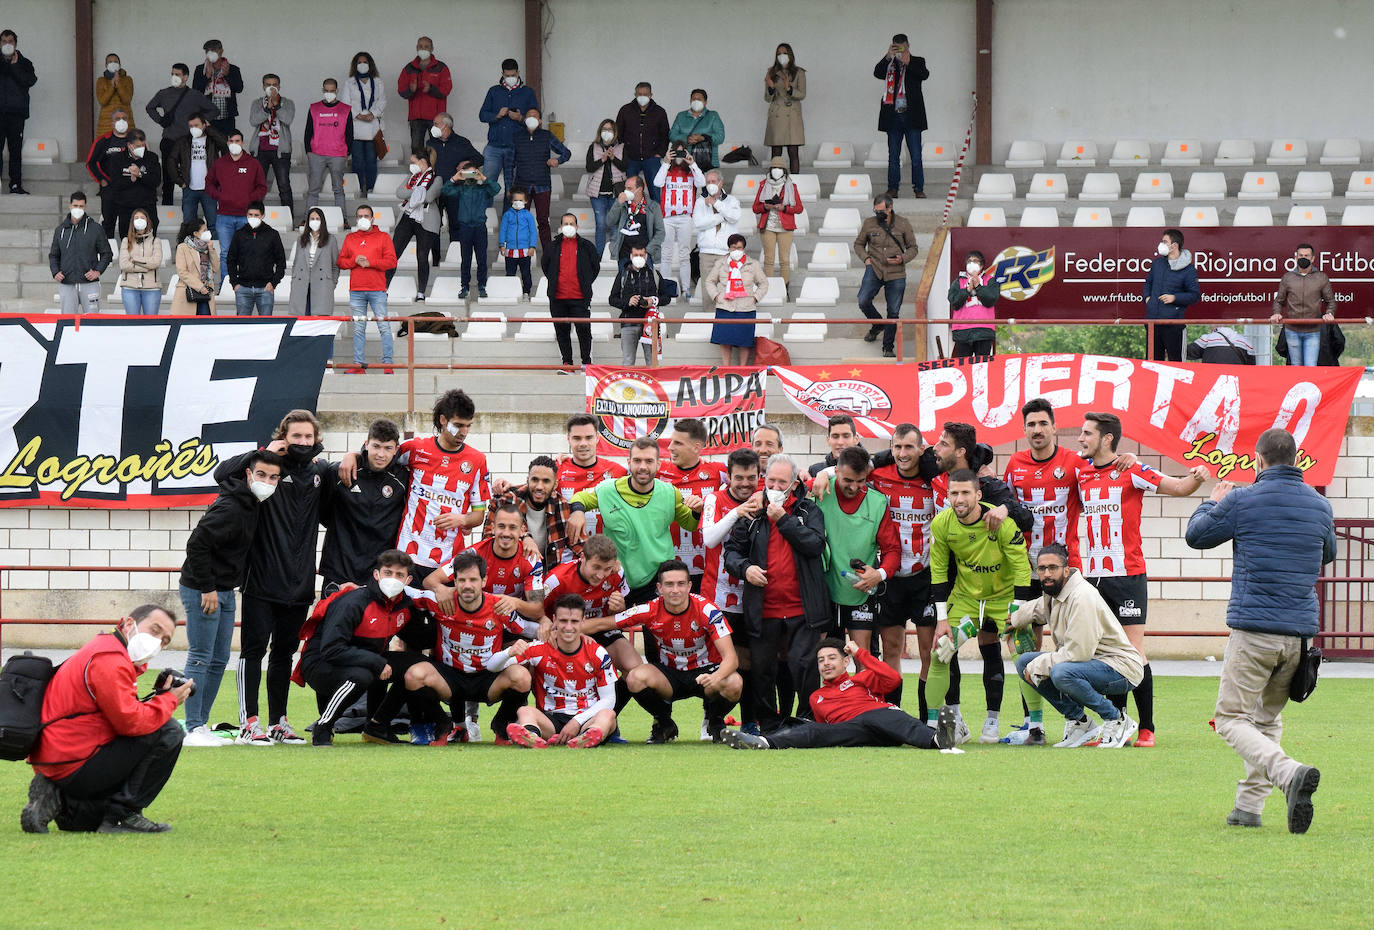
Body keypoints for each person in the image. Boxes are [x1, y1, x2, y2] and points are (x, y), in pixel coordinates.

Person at [1186, 428, 1334, 833]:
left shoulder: (1242, 498)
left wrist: (1210, 502)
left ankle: (1288, 774)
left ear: (1258, 460)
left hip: (1254, 630)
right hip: (1300, 635)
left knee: (1231, 718)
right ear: (1297, 459)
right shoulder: (1321, 506)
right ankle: (1248, 808)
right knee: (1265, 720)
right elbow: (1329, 554)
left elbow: (1196, 537)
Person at [1077, 411, 1208, 747]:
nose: (1081, 439)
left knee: (1134, 652)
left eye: (1087, 433)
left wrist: (1199, 476)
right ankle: (1117, 724)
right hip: (1093, 578)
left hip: (1128, 575)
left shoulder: (1133, 469)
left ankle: (1147, 727)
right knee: (1104, 653)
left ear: (1106, 438)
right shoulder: (1079, 471)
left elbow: (1179, 488)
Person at [212, 411, 335, 745]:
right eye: (296, 437)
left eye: (308, 437)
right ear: (284, 437)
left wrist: (353, 454)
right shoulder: (268, 470)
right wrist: (260, 451)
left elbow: (353, 469)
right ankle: (248, 721)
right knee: (253, 652)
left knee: (284, 654)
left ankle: (278, 721)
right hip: (261, 580)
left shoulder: (319, 473)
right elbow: (221, 473)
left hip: (299, 585)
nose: (303, 443)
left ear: (316, 439)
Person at [21, 605, 190, 834]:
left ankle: (59, 799)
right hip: (76, 757)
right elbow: (130, 723)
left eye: (164, 640)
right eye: (155, 630)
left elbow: (121, 714)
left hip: (59, 757)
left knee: (85, 822)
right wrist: (169, 701)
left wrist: (158, 698)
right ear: (129, 624)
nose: (157, 642)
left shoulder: (105, 648)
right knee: (169, 730)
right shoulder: (111, 658)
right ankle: (123, 816)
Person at [178, 450, 284, 747]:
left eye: (273, 477)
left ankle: (201, 723)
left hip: (225, 589)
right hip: (204, 588)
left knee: (219, 658)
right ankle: (193, 726)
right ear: (248, 474)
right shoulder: (231, 506)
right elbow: (196, 545)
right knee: (200, 656)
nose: (267, 481)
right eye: (261, 475)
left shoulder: (254, 503)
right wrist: (207, 587)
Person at [371, 551, 534, 744]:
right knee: (413, 675)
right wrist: (361, 589)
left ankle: (500, 725)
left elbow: (529, 628)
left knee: (522, 677)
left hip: (487, 677)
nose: (467, 586)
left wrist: (548, 625)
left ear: (484, 581)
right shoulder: (440, 602)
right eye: (462, 580)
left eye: (473, 580)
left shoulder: (498, 607)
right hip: (450, 678)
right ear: (454, 582)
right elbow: (405, 590)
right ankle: (443, 724)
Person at [340, 389, 491, 584]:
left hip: (446, 563)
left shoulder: (477, 461)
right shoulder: (416, 448)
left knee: (442, 614)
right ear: (443, 420)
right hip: (407, 558)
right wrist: (353, 455)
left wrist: (462, 519)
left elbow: (479, 515)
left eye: (468, 426)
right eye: (458, 425)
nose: (464, 432)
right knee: (405, 615)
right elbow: (380, 456)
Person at [584, 559, 743, 742]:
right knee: (635, 677)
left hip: (705, 674)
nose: (675, 590)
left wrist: (715, 677)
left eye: (681, 584)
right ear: (659, 588)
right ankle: (665, 723)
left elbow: (731, 659)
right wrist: (566, 629)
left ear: (689, 586)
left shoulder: (707, 610)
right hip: (669, 676)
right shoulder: (650, 609)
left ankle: (715, 722)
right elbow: (605, 623)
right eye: (669, 584)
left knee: (734, 683)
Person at [724, 453, 829, 731]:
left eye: (781, 481)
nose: (774, 486)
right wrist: (745, 569)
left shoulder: (809, 511)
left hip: (802, 607)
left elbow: (815, 545)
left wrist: (783, 520)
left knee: (804, 667)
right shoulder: (752, 510)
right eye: (770, 480)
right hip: (764, 608)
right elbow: (731, 552)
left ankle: (806, 721)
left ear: (794, 484)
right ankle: (769, 726)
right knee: (762, 671)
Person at [927, 469, 1032, 743]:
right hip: (967, 600)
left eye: (965, 493)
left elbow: (1022, 568)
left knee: (1025, 654)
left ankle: (1031, 726)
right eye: (954, 493)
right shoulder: (941, 524)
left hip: (1004, 598)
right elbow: (938, 572)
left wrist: (1017, 610)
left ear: (978, 494)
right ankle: (944, 725)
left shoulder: (1001, 523)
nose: (959, 499)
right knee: (941, 652)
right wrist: (940, 619)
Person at [1009, 543, 1146, 749]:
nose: (1046, 574)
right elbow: (1035, 609)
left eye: (1052, 568)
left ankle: (1118, 719)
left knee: (1060, 672)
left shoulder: (1082, 596)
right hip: (1091, 664)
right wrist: (1011, 620)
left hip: (1121, 668)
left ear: (1066, 570)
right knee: (1024, 662)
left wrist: (1038, 667)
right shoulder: (1053, 593)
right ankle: (1081, 723)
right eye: (1042, 568)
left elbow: (1078, 653)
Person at [722, 639, 956, 750]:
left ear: (845, 662)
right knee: (813, 729)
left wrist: (859, 653)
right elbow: (826, 727)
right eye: (821, 660)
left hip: (878, 716)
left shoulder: (861, 679)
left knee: (892, 717)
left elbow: (893, 679)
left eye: (831, 658)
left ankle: (937, 738)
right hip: (852, 731)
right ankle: (763, 742)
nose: (826, 664)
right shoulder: (817, 697)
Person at [565, 436, 700, 606]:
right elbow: (580, 498)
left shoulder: (670, 493)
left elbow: (690, 524)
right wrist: (577, 512)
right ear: (629, 462)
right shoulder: (607, 490)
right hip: (616, 578)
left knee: (656, 630)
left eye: (649, 461)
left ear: (658, 464)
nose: (643, 467)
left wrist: (696, 512)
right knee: (611, 629)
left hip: (656, 578)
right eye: (637, 461)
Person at [300, 551, 416, 747]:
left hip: (363, 660)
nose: (393, 579)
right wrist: (376, 662)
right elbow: (331, 649)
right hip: (321, 663)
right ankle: (324, 726)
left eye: (399, 575)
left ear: (408, 580)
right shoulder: (353, 602)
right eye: (388, 573)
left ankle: (376, 726)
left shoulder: (404, 606)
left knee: (418, 668)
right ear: (376, 575)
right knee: (365, 673)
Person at [866, 424, 938, 713]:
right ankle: (893, 713)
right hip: (891, 577)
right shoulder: (878, 476)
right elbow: (849, 469)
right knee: (891, 649)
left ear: (922, 449)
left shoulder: (935, 480)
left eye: (909, 447)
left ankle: (926, 717)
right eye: (897, 447)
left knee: (928, 653)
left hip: (925, 575)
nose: (902, 453)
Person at [700, 449, 763, 730]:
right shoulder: (715, 498)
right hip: (718, 597)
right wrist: (737, 512)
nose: (745, 483)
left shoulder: (766, 497)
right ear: (729, 475)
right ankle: (710, 720)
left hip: (752, 596)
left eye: (751, 477)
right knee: (721, 662)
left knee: (751, 661)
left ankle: (750, 721)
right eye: (739, 477)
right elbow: (710, 539)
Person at [506, 594, 617, 748]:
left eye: (574, 621)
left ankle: (587, 736)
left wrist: (576, 722)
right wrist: (508, 653)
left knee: (608, 715)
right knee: (525, 711)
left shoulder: (598, 652)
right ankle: (532, 736)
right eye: (563, 621)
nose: (569, 627)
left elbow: (609, 700)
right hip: (551, 719)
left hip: (586, 718)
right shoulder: (539, 648)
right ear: (555, 620)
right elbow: (496, 666)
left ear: (583, 621)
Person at [819, 446, 900, 649]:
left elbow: (893, 550)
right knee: (820, 659)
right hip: (823, 591)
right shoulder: (819, 490)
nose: (854, 487)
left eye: (860, 481)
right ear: (836, 471)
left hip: (860, 591)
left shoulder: (877, 502)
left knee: (862, 658)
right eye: (848, 480)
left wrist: (879, 574)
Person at [319, 419, 409, 592]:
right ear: (366, 444)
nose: (381, 454)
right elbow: (323, 512)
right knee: (333, 619)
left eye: (388, 448)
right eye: (376, 446)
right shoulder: (340, 472)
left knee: (372, 619)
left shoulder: (403, 479)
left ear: (396, 449)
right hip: (339, 570)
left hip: (378, 573)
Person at [658, 418, 730, 591]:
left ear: (697, 448)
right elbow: (626, 473)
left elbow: (748, 478)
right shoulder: (658, 471)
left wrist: (804, 475)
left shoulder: (718, 470)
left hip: (706, 566)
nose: (670, 447)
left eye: (677, 443)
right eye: (670, 441)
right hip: (669, 566)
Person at [855, 193, 919, 357]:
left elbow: (913, 248)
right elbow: (859, 244)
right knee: (863, 300)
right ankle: (878, 325)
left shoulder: (903, 224)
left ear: (890, 208)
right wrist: (866, 258)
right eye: (876, 211)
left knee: (893, 311)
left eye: (881, 211)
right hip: (874, 268)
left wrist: (902, 259)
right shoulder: (869, 223)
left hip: (896, 272)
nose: (878, 214)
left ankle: (888, 347)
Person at [338, 203, 397, 374]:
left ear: (372, 218)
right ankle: (358, 365)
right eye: (359, 216)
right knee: (358, 328)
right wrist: (354, 261)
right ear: (356, 219)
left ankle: (388, 364)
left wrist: (371, 263)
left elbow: (392, 261)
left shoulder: (383, 237)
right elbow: (341, 261)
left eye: (366, 216)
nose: (362, 219)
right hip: (356, 290)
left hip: (377, 289)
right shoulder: (350, 238)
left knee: (383, 326)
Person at [146, 63, 216, 205]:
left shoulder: (195, 95)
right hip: (169, 139)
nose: (174, 77)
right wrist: (161, 121)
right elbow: (150, 107)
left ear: (185, 77)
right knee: (168, 175)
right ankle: (167, 205)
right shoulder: (163, 93)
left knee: (189, 174)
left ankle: (189, 207)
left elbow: (214, 110)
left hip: (188, 141)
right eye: (172, 74)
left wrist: (201, 123)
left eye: (177, 74)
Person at [483, 455, 569, 566]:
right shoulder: (504, 502)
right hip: (508, 575)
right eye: (535, 480)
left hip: (549, 579)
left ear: (555, 484)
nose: (539, 486)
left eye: (546, 481)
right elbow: (486, 543)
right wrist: (523, 537)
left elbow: (579, 547)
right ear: (527, 480)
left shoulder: (562, 506)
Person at [556, 414, 627, 550]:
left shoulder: (618, 472)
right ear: (568, 439)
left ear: (597, 438)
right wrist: (505, 484)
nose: (583, 443)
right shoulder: (557, 470)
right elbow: (532, 492)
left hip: (607, 556)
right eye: (577, 438)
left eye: (589, 437)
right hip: (568, 555)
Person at [206, 129, 267, 283]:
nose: (234, 144)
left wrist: (249, 200)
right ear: (227, 143)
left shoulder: (253, 163)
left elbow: (262, 187)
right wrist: (219, 196)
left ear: (242, 142)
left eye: (237, 141)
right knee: (226, 253)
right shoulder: (219, 163)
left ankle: (245, 283)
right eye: (231, 141)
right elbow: (209, 183)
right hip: (224, 216)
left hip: (246, 217)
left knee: (247, 251)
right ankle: (227, 284)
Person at [542, 212, 601, 369]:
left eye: (571, 224)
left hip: (580, 298)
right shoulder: (552, 246)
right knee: (562, 331)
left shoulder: (587, 246)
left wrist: (585, 283)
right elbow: (546, 266)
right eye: (565, 224)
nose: (568, 227)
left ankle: (586, 363)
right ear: (561, 227)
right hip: (558, 298)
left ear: (577, 226)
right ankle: (567, 363)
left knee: (584, 330)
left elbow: (595, 267)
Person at [875, 33, 930, 200]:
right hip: (893, 117)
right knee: (893, 155)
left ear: (908, 45)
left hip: (911, 116)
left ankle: (918, 188)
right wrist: (887, 57)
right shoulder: (890, 63)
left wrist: (909, 63)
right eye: (896, 46)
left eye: (902, 46)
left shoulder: (917, 61)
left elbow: (924, 74)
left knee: (916, 155)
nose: (900, 49)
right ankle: (893, 188)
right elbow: (877, 73)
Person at [512, 106, 571, 252]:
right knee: (521, 221)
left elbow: (566, 153)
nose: (532, 118)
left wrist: (558, 160)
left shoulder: (546, 136)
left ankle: (548, 253)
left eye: (535, 116)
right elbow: (509, 163)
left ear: (539, 121)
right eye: (529, 115)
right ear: (525, 119)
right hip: (521, 186)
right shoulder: (517, 137)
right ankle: (522, 252)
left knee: (543, 221)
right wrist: (510, 187)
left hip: (543, 185)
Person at [479, 58, 538, 202]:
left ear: (518, 73)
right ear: (502, 74)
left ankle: (509, 220)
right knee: (488, 185)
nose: (510, 78)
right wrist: (497, 115)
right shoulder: (494, 91)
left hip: (518, 147)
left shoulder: (527, 92)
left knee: (513, 188)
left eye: (512, 75)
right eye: (507, 75)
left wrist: (520, 118)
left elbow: (536, 120)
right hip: (494, 146)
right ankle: (485, 219)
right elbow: (482, 115)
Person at [704, 232, 768, 365]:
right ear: (728, 248)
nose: (736, 250)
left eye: (739, 248)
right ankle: (726, 367)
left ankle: (742, 368)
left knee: (744, 340)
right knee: (724, 339)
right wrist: (716, 297)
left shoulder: (753, 264)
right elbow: (709, 281)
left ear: (744, 249)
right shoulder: (721, 263)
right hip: (725, 306)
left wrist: (755, 298)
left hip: (746, 307)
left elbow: (763, 283)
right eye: (733, 247)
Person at [653, 142, 706, 299]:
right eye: (676, 153)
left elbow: (702, 183)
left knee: (684, 254)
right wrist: (666, 162)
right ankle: (664, 289)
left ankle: (686, 289)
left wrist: (693, 163)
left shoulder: (691, 172)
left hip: (685, 218)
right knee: (666, 254)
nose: (679, 157)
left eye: (682, 153)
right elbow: (657, 183)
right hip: (667, 218)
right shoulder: (666, 171)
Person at [1270, 242, 1335, 367]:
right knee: (1296, 367)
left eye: (1306, 255)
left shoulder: (1321, 278)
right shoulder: (1288, 277)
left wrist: (1329, 313)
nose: (1303, 258)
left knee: (1310, 367)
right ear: (1296, 257)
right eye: (1300, 255)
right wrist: (1276, 313)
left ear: (1313, 258)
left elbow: (1330, 301)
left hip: (1313, 331)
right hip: (1292, 330)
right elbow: (1279, 300)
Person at [388, 147, 441, 300]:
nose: (411, 166)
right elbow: (399, 193)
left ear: (422, 162)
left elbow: (429, 197)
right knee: (393, 253)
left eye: (413, 162)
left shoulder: (436, 178)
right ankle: (383, 287)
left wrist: (414, 191)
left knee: (422, 255)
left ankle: (421, 292)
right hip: (408, 215)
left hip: (426, 219)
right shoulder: (411, 177)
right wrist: (418, 190)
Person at [1143, 227, 1200, 362]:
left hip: (1173, 325)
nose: (1161, 245)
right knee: (1152, 364)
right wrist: (1147, 299)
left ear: (1174, 245)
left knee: (1176, 364)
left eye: (1164, 241)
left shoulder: (1189, 270)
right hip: (1152, 323)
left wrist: (1175, 298)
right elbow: (1148, 282)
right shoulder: (1158, 263)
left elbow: (1195, 295)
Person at [49, 192, 112, 314]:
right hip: (67, 283)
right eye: (75, 205)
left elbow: (107, 253)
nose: (78, 208)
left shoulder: (95, 228)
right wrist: (55, 272)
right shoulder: (60, 230)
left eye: (81, 206)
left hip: (89, 284)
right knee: (67, 322)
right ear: (70, 206)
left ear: (85, 207)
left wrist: (97, 271)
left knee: (92, 323)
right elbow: (54, 255)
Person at [609, 244, 671, 366]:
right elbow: (612, 299)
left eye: (641, 255)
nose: (639, 257)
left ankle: (652, 384)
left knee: (652, 362)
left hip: (650, 324)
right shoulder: (623, 275)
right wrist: (628, 302)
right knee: (628, 362)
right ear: (631, 256)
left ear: (646, 256)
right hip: (628, 323)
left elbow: (667, 298)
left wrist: (652, 301)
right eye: (636, 255)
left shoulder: (654, 274)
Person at [247, 74, 295, 223]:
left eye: (274, 84)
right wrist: (267, 109)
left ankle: (288, 219)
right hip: (260, 150)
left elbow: (287, 119)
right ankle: (255, 219)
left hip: (280, 151)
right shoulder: (257, 103)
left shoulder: (287, 102)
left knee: (284, 185)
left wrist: (276, 106)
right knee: (258, 187)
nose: (271, 87)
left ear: (279, 86)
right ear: (263, 87)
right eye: (268, 84)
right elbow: (253, 121)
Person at [753, 157, 802, 295]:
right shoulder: (763, 184)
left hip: (785, 227)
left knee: (784, 260)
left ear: (784, 171)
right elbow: (755, 208)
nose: (776, 170)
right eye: (774, 168)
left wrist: (784, 208)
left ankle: (784, 290)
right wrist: (765, 206)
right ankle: (768, 291)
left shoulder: (791, 186)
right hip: (768, 226)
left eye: (779, 168)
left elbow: (799, 208)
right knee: (768, 260)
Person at [225, 200, 285, 315]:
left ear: (263, 215)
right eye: (250, 215)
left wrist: (273, 283)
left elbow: (281, 261)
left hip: (266, 288)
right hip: (243, 288)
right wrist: (235, 283)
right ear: (246, 215)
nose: (253, 217)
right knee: (242, 327)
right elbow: (231, 260)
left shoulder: (272, 234)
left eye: (256, 215)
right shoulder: (239, 234)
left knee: (266, 326)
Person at [304, 79, 352, 218]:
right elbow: (308, 131)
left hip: (338, 154)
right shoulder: (314, 108)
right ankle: (309, 217)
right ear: (322, 90)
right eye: (326, 90)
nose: (329, 93)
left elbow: (350, 133)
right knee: (313, 189)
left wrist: (347, 152)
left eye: (332, 91)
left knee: (338, 189)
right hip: (316, 153)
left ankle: (342, 218)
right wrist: (309, 150)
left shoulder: (345, 109)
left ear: (337, 91)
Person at [449, 165, 499, 300]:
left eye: (473, 172)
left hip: (479, 227)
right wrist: (456, 177)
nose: (471, 176)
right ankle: (464, 285)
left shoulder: (483, 190)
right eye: (468, 173)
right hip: (465, 227)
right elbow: (445, 191)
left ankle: (482, 285)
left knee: (482, 258)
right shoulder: (460, 189)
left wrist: (482, 177)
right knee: (466, 259)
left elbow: (496, 189)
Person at [168, 113, 227, 225]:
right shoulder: (183, 141)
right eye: (191, 126)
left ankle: (213, 243)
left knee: (213, 224)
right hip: (189, 188)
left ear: (204, 125)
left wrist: (210, 129)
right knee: (188, 224)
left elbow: (225, 143)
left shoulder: (212, 141)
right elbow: (171, 160)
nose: (193, 128)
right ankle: (188, 243)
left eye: (196, 125)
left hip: (210, 189)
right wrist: (179, 181)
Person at [398, 36, 452, 157]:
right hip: (416, 117)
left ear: (432, 48)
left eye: (426, 46)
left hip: (436, 117)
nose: (423, 49)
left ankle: (438, 174)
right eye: (421, 46)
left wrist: (431, 89)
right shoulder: (409, 68)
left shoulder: (441, 67)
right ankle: (419, 174)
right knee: (416, 148)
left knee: (437, 147)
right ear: (416, 48)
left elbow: (446, 89)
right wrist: (410, 90)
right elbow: (401, 90)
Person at [616, 82, 670, 202]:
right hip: (631, 158)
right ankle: (632, 217)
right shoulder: (625, 110)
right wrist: (624, 151)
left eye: (645, 94)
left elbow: (665, 135)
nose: (642, 96)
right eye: (639, 94)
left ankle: (656, 218)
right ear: (635, 94)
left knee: (655, 192)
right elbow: (618, 132)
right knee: (630, 192)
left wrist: (659, 153)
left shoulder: (659, 112)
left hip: (652, 158)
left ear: (651, 95)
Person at [344, 52, 386, 199]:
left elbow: (382, 101)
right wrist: (358, 114)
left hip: (372, 126)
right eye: (359, 62)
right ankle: (357, 189)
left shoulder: (377, 81)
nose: (362, 64)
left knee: (371, 161)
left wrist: (372, 114)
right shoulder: (350, 82)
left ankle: (370, 189)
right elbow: (345, 102)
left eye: (365, 62)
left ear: (370, 64)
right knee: (357, 161)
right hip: (356, 126)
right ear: (355, 65)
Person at [84, 107, 131, 238]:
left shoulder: (134, 140)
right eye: (118, 119)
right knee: (108, 223)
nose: (121, 121)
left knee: (127, 226)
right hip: (109, 190)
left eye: (124, 118)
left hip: (129, 190)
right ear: (112, 123)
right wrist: (102, 180)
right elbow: (90, 163)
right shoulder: (103, 140)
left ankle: (126, 256)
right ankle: (107, 255)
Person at [692, 168, 741, 293]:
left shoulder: (732, 200)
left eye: (713, 181)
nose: (710, 184)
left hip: (725, 253)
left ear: (721, 182)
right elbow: (699, 223)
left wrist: (716, 204)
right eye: (708, 182)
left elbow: (734, 217)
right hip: (706, 252)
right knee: (708, 290)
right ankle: (709, 312)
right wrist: (721, 217)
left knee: (726, 289)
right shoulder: (700, 201)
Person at [0, 29, 36, 194]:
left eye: (10, 41)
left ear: (15, 44)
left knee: (15, 151)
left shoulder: (25, 63)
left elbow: (30, 81)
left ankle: (15, 184)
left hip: (17, 114)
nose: (7, 44)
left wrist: (14, 67)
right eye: (4, 41)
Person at [106, 130, 160, 239]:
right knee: (127, 241)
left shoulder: (152, 157)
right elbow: (115, 184)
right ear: (129, 145)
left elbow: (156, 181)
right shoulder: (117, 159)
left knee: (149, 240)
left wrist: (140, 174)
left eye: (143, 145)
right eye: (138, 146)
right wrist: (131, 180)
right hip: (126, 207)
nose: (141, 148)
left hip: (147, 206)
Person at [288, 207, 341, 316]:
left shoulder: (331, 240)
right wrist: (294, 279)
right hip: (301, 283)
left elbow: (335, 265)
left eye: (317, 218)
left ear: (322, 221)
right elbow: (296, 263)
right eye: (312, 219)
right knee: (302, 318)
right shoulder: (301, 239)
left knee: (320, 319)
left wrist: (332, 283)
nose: (315, 221)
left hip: (322, 284)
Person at [584, 119, 626, 257]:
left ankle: (613, 255)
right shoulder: (594, 147)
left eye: (610, 130)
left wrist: (613, 158)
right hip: (598, 194)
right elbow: (589, 167)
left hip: (615, 194)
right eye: (604, 129)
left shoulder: (621, 148)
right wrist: (602, 159)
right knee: (601, 225)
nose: (606, 132)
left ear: (614, 132)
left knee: (614, 226)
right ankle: (600, 256)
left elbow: (625, 167)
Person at [763, 44, 806, 174]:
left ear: (790, 55)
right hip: (776, 113)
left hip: (792, 115)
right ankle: (776, 182)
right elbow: (767, 98)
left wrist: (789, 88)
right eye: (779, 53)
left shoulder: (799, 72)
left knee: (793, 151)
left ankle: (795, 183)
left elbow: (802, 94)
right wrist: (771, 87)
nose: (782, 56)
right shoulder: (771, 72)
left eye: (784, 53)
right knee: (776, 152)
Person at [948, 249, 999, 356]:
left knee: (982, 367)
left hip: (984, 330)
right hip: (962, 330)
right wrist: (967, 290)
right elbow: (954, 302)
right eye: (969, 261)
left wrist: (978, 287)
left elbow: (991, 299)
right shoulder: (959, 281)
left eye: (975, 261)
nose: (972, 263)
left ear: (981, 265)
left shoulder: (990, 280)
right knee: (963, 367)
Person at [607, 175, 664, 271]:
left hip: (644, 254)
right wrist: (618, 204)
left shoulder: (653, 207)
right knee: (624, 283)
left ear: (640, 189)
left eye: (629, 188)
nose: (625, 191)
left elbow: (660, 232)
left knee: (647, 283)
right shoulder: (622, 203)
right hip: (624, 253)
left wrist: (648, 250)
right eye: (625, 188)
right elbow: (609, 222)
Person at [193, 39, 243, 137]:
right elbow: (195, 91)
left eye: (213, 50)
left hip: (227, 117)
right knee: (210, 148)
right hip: (207, 118)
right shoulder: (200, 69)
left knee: (226, 146)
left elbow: (239, 88)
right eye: (208, 51)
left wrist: (227, 75)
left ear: (221, 51)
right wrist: (206, 76)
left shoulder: (233, 69)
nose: (210, 53)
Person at [117, 208, 163, 315]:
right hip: (129, 287)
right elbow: (124, 264)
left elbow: (156, 262)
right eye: (136, 218)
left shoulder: (156, 241)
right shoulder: (126, 241)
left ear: (147, 221)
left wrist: (135, 260)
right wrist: (146, 267)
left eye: (142, 218)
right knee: (133, 323)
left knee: (151, 323)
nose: (139, 220)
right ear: (132, 222)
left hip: (152, 288)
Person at [170, 218, 218, 315]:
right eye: (204, 230)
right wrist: (200, 287)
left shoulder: (207, 247)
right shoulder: (183, 247)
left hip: (206, 293)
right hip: (188, 292)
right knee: (188, 326)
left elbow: (216, 268)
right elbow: (182, 271)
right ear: (196, 233)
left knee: (206, 325)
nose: (207, 232)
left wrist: (211, 249)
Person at [670, 88, 725, 172]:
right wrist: (687, 139)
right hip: (684, 162)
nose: (696, 101)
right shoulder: (681, 116)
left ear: (705, 102)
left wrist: (703, 138)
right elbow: (672, 135)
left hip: (708, 162)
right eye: (693, 99)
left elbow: (720, 137)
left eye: (699, 99)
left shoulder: (713, 116)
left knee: (708, 185)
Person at [96, 53, 134, 138]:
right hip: (106, 122)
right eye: (110, 62)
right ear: (106, 65)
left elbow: (127, 100)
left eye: (115, 61)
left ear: (120, 65)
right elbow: (102, 101)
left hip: (125, 120)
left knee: (126, 146)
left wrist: (118, 83)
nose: (113, 63)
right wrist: (112, 86)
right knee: (106, 148)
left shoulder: (127, 79)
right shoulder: (101, 80)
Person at [1188, 325, 1256, 364]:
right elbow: (1251, 366)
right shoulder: (1245, 342)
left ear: (1214, 328)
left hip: (1213, 380)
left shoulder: (1207, 338)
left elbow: (1187, 352)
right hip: (1236, 380)